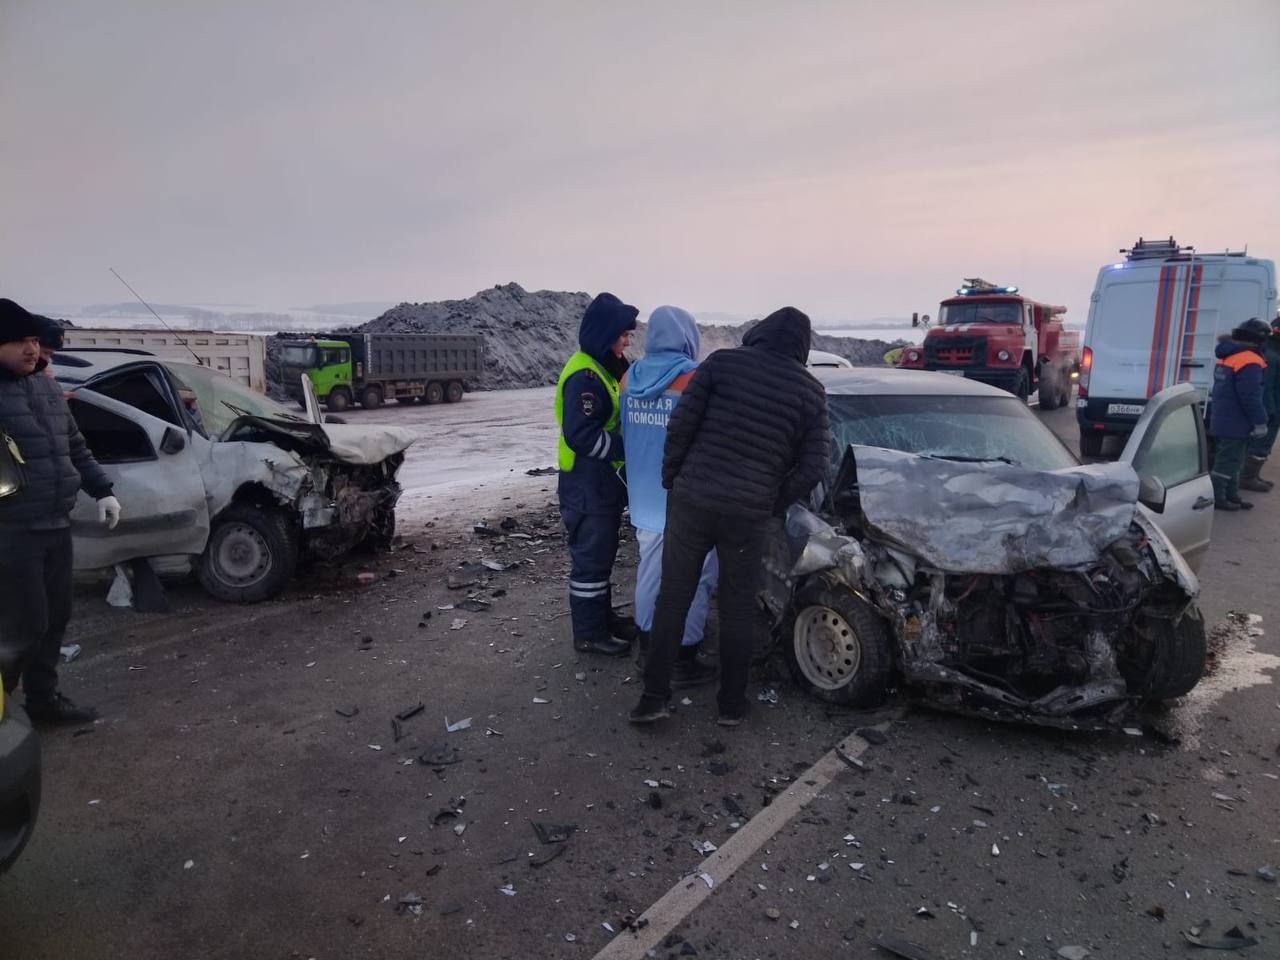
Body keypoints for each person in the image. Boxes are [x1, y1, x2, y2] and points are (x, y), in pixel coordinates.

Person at [630, 306, 831, 726]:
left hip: (692, 501)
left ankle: (654, 698)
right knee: (738, 607)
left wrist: (673, 478)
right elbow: (814, 467)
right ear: (803, 347)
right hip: (748, 514)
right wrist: (771, 501)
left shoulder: (721, 364)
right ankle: (731, 706)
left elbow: (681, 425)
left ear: (759, 333)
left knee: (673, 598)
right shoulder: (810, 392)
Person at [0, 298, 121, 724]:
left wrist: (102, 489)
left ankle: (43, 701)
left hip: (55, 523)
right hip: (12, 530)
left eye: (33, 340)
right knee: (23, 626)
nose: (31, 349)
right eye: (18, 341)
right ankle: (3, 709)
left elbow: (74, 446)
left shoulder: (48, 388)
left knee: (54, 619)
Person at [620, 306, 717, 687]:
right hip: (684, 497)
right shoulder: (693, 379)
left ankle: (648, 644)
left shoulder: (629, 377)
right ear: (687, 337)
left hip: (643, 495)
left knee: (650, 570)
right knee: (697, 575)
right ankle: (684, 655)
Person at [556, 292, 640, 656]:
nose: (628, 339)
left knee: (602, 554)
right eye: (623, 333)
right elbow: (581, 435)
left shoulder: (605, 366)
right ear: (606, 333)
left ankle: (603, 620)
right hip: (586, 485)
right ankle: (590, 634)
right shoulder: (585, 376)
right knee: (590, 559)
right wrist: (628, 451)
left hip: (600, 485)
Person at [1209, 317, 1271, 511]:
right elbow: (1251, 396)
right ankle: (1218, 498)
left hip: (1225, 417)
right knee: (1227, 461)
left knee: (1234, 460)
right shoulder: (1250, 360)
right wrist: (1260, 421)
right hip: (1236, 421)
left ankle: (1232, 495)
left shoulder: (1229, 355)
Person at [1241, 316, 1280, 493]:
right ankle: (1247, 478)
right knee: (1260, 445)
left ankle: (1253, 475)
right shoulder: (1271, 356)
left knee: (1263, 445)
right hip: (1271, 410)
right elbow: (1267, 387)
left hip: (1273, 408)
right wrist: (1270, 412)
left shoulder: (1272, 352)